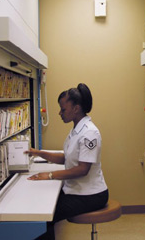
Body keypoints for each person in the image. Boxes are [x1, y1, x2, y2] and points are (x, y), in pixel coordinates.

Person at [25, 83, 108, 240]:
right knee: (44, 207)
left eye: (63, 109)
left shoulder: (90, 132)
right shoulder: (76, 130)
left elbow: (82, 169)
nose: (59, 113)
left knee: (45, 216)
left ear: (76, 109)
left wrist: (50, 175)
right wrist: (39, 153)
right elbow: (66, 157)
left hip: (90, 195)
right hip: (78, 191)